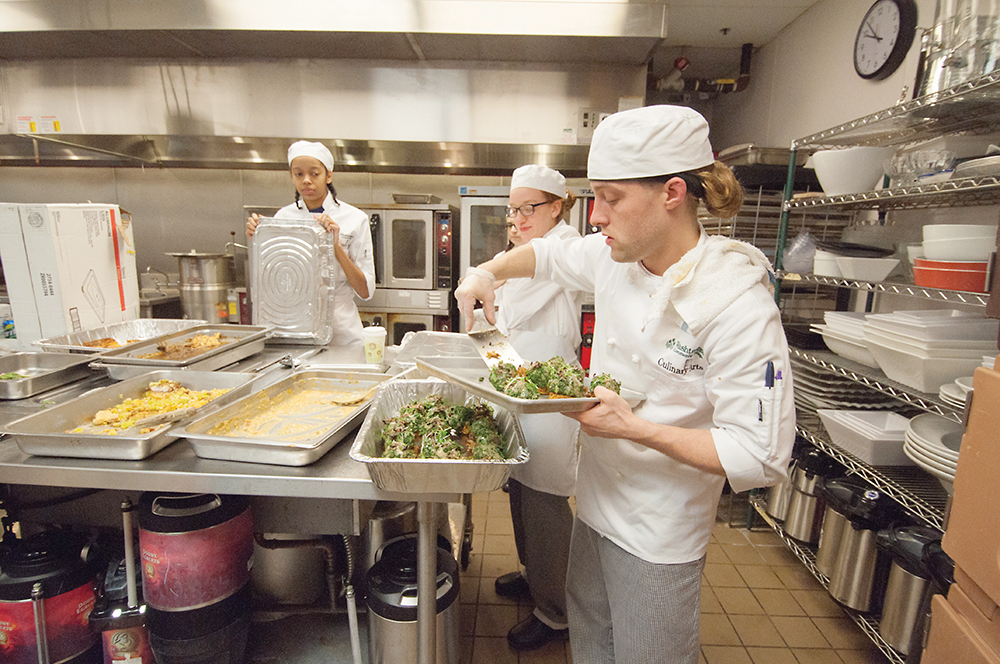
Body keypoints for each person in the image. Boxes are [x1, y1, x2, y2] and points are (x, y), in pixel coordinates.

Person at [455, 105, 796, 663]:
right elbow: (545, 254)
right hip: (593, 508)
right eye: (595, 196)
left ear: (673, 192)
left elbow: (760, 455)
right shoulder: (616, 257)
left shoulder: (736, 302)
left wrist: (635, 428)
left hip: (659, 533)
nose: (596, 216)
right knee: (590, 644)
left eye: (612, 198)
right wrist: (486, 273)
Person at [490, 165, 582, 651]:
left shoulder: (564, 249)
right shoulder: (522, 253)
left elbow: (508, 310)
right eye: (514, 209)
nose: (519, 217)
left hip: (549, 393)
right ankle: (534, 575)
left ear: (556, 206)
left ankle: (557, 613)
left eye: (530, 208)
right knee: (519, 491)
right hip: (518, 384)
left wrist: (489, 286)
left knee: (544, 497)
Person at [246, 140, 375, 353]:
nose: (306, 181)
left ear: (328, 175)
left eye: (314, 174)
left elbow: (365, 291)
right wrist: (260, 241)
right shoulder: (283, 218)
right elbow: (276, 283)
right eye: (298, 174)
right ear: (291, 177)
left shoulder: (354, 219)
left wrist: (335, 246)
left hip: (342, 334)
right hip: (295, 332)